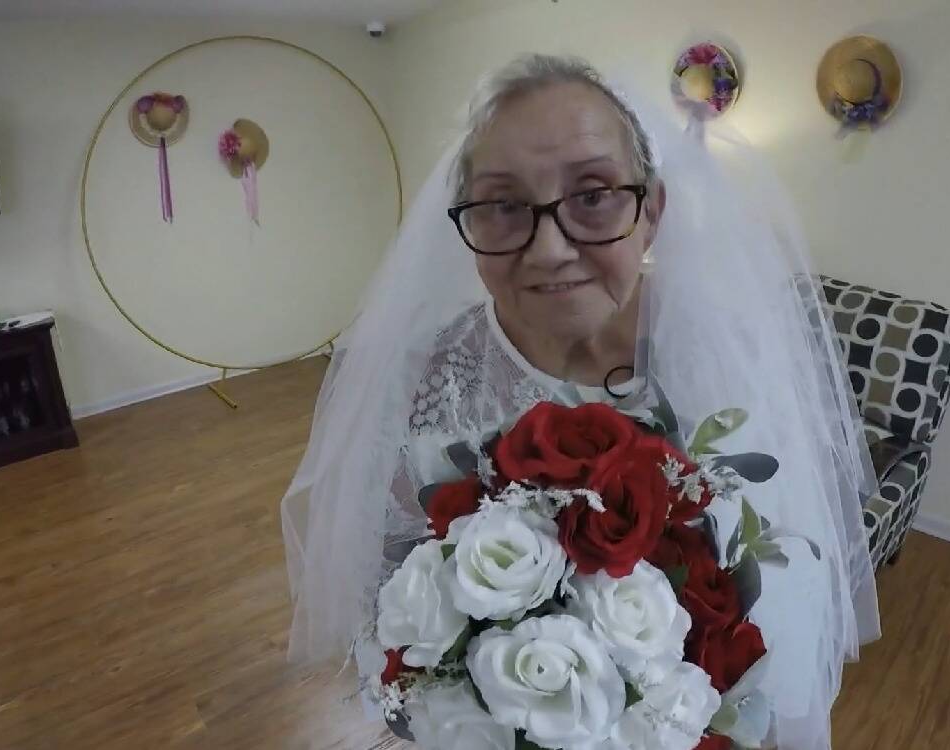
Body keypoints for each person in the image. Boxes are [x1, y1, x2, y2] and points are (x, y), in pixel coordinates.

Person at [281, 54, 878, 748]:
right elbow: (390, 612)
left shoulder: (726, 360)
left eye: (592, 195)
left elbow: (775, 606)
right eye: (504, 206)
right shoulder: (423, 380)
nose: (550, 250)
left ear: (650, 211)